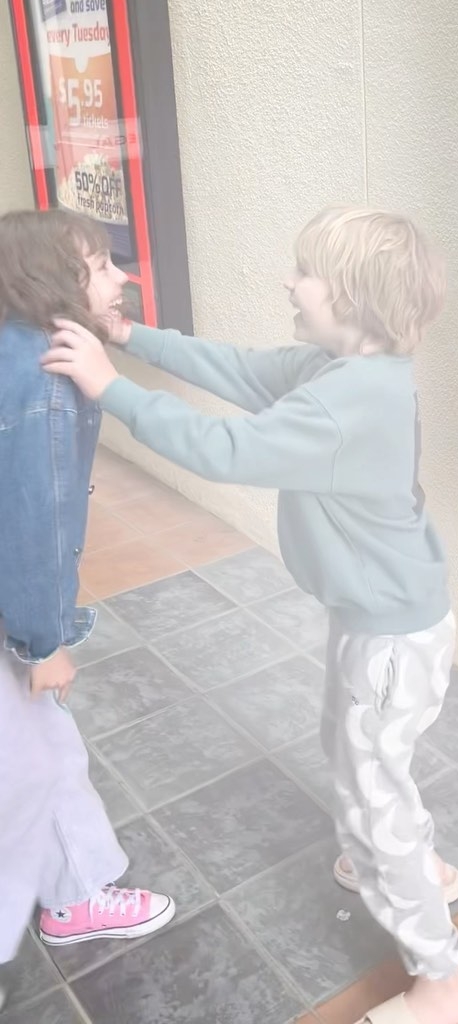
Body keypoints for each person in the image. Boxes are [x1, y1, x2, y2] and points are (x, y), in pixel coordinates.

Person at [43, 206, 458, 1024]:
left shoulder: (345, 402)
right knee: (361, 759)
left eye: (304, 273)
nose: (289, 282)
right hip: (381, 619)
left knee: (373, 797)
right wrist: (132, 337)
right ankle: (416, 866)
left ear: (351, 297)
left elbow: (226, 451)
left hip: (390, 638)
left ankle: (445, 983)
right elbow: (240, 369)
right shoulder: (343, 370)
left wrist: (111, 387)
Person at [0, 210, 176, 1010]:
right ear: (52, 283)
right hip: (15, 617)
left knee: (44, 752)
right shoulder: (43, 381)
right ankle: (67, 903)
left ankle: (75, 889)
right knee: (35, 765)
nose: (122, 277)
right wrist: (44, 644)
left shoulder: (21, 347)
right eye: (101, 266)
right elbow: (31, 524)